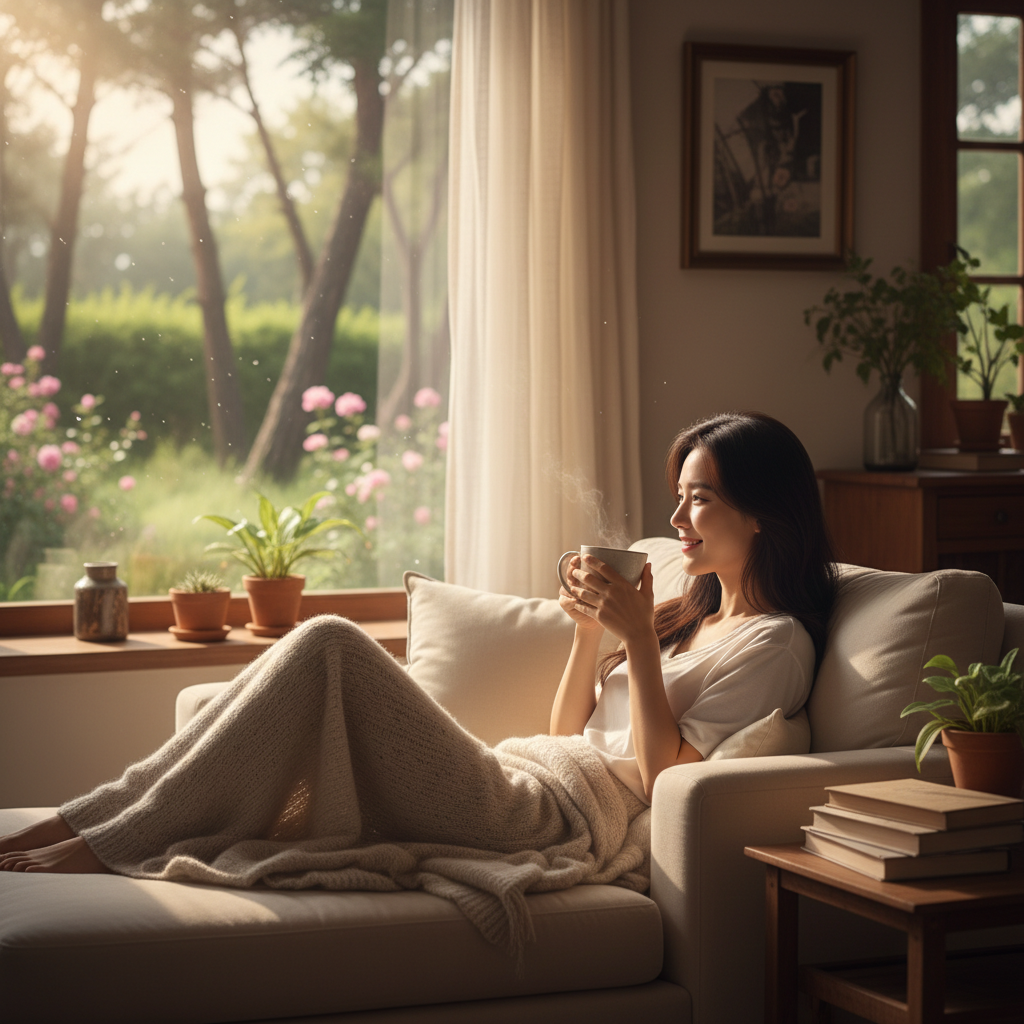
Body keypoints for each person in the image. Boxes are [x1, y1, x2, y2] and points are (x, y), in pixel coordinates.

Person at [0, 412, 836, 951]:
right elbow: (569, 727)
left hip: (548, 820)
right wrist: (591, 639)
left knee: (329, 641)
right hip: (526, 773)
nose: (677, 520)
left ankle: (101, 842)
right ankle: (89, 822)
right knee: (283, 679)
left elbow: (668, 777)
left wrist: (640, 653)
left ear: (762, 512)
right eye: (678, 500)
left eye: (700, 501)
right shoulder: (686, 612)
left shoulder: (775, 644)